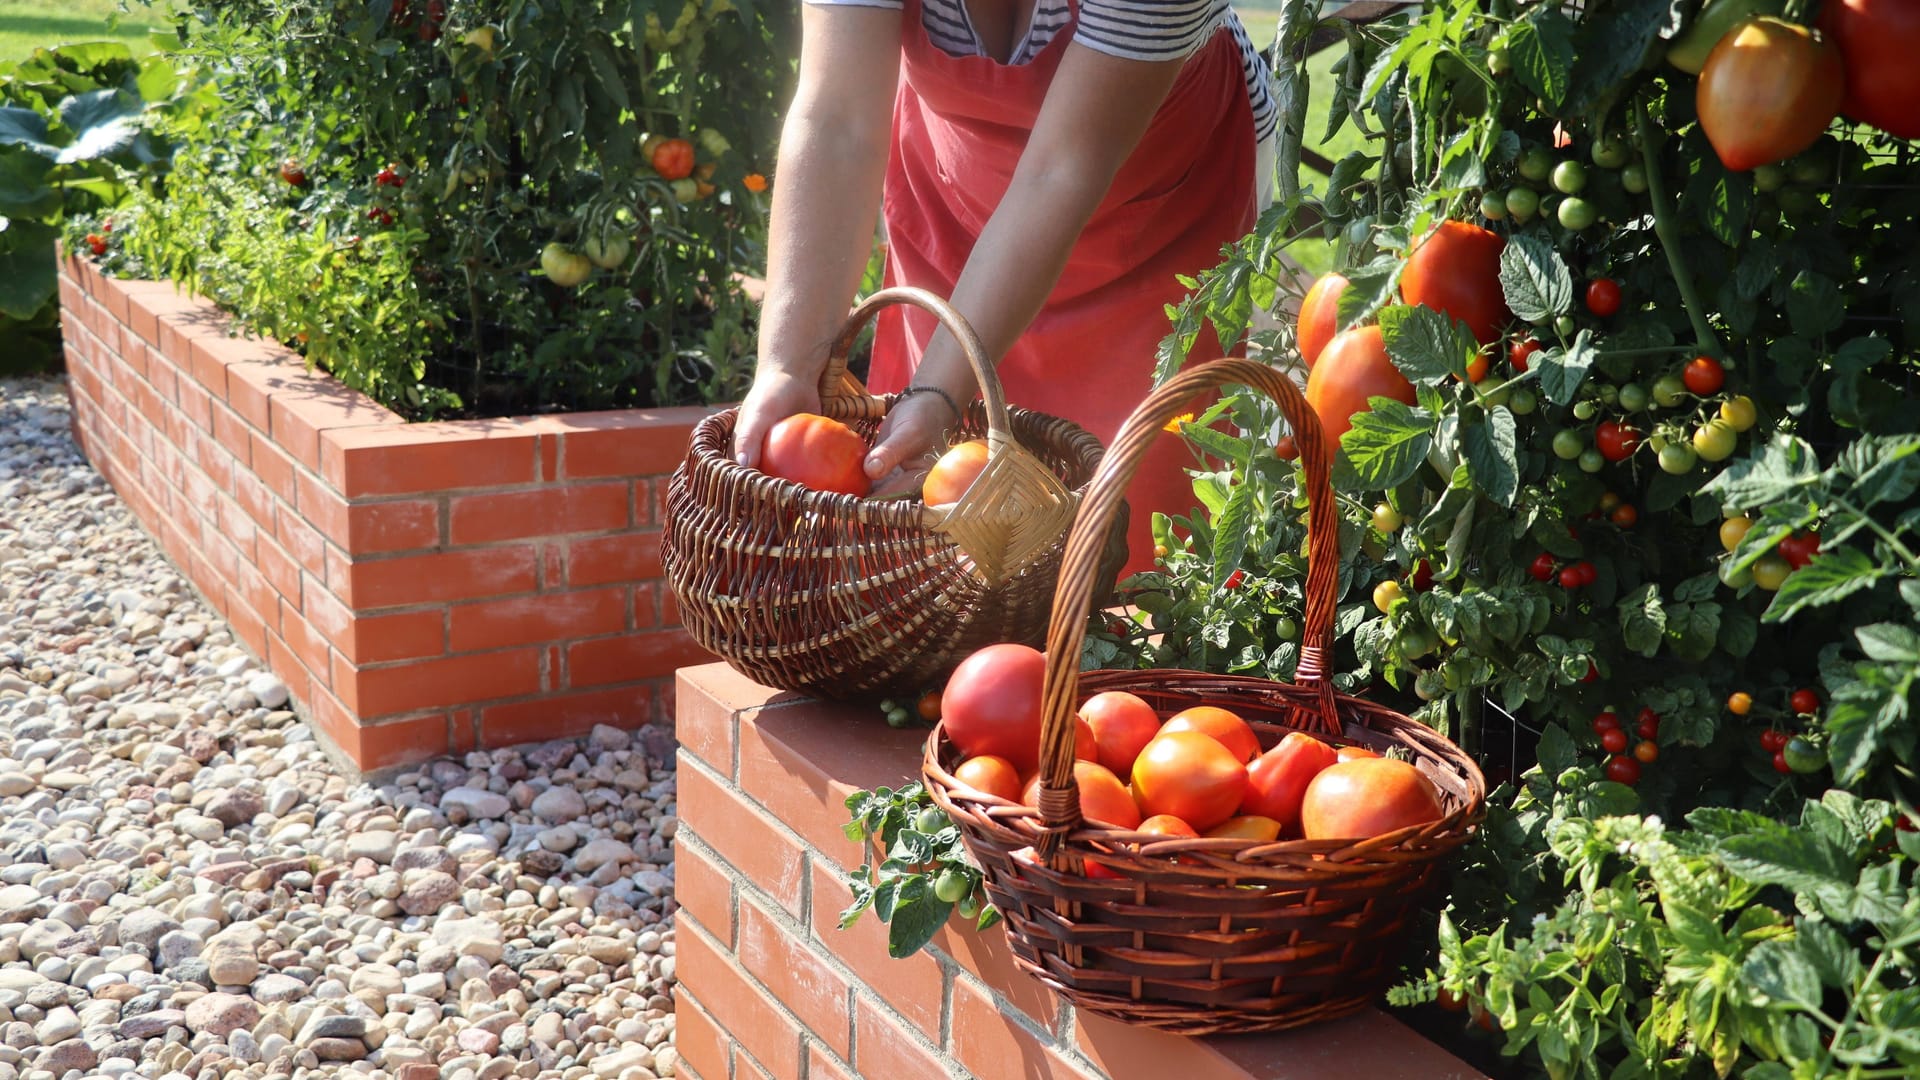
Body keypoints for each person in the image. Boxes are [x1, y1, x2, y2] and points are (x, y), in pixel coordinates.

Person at [731, 0, 1277, 572]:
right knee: (934, 530)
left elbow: (1062, 168)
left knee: (1135, 536)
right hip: (955, 190)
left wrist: (937, 394)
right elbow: (836, 119)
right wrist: (789, 365)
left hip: (1159, 203)